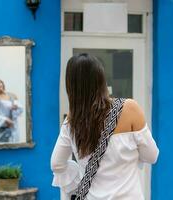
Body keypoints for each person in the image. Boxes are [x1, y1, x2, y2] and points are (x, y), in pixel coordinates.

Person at [51, 53, 159, 199]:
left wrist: (79, 178)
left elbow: (57, 164)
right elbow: (151, 156)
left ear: (71, 85)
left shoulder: (72, 121)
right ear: (101, 78)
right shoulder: (129, 108)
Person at [0, 78, 23, 143]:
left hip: (14, 126)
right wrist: (5, 119)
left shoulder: (12, 95)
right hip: (3, 127)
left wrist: (16, 107)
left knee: (14, 146)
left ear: (2, 84)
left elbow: (20, 108)